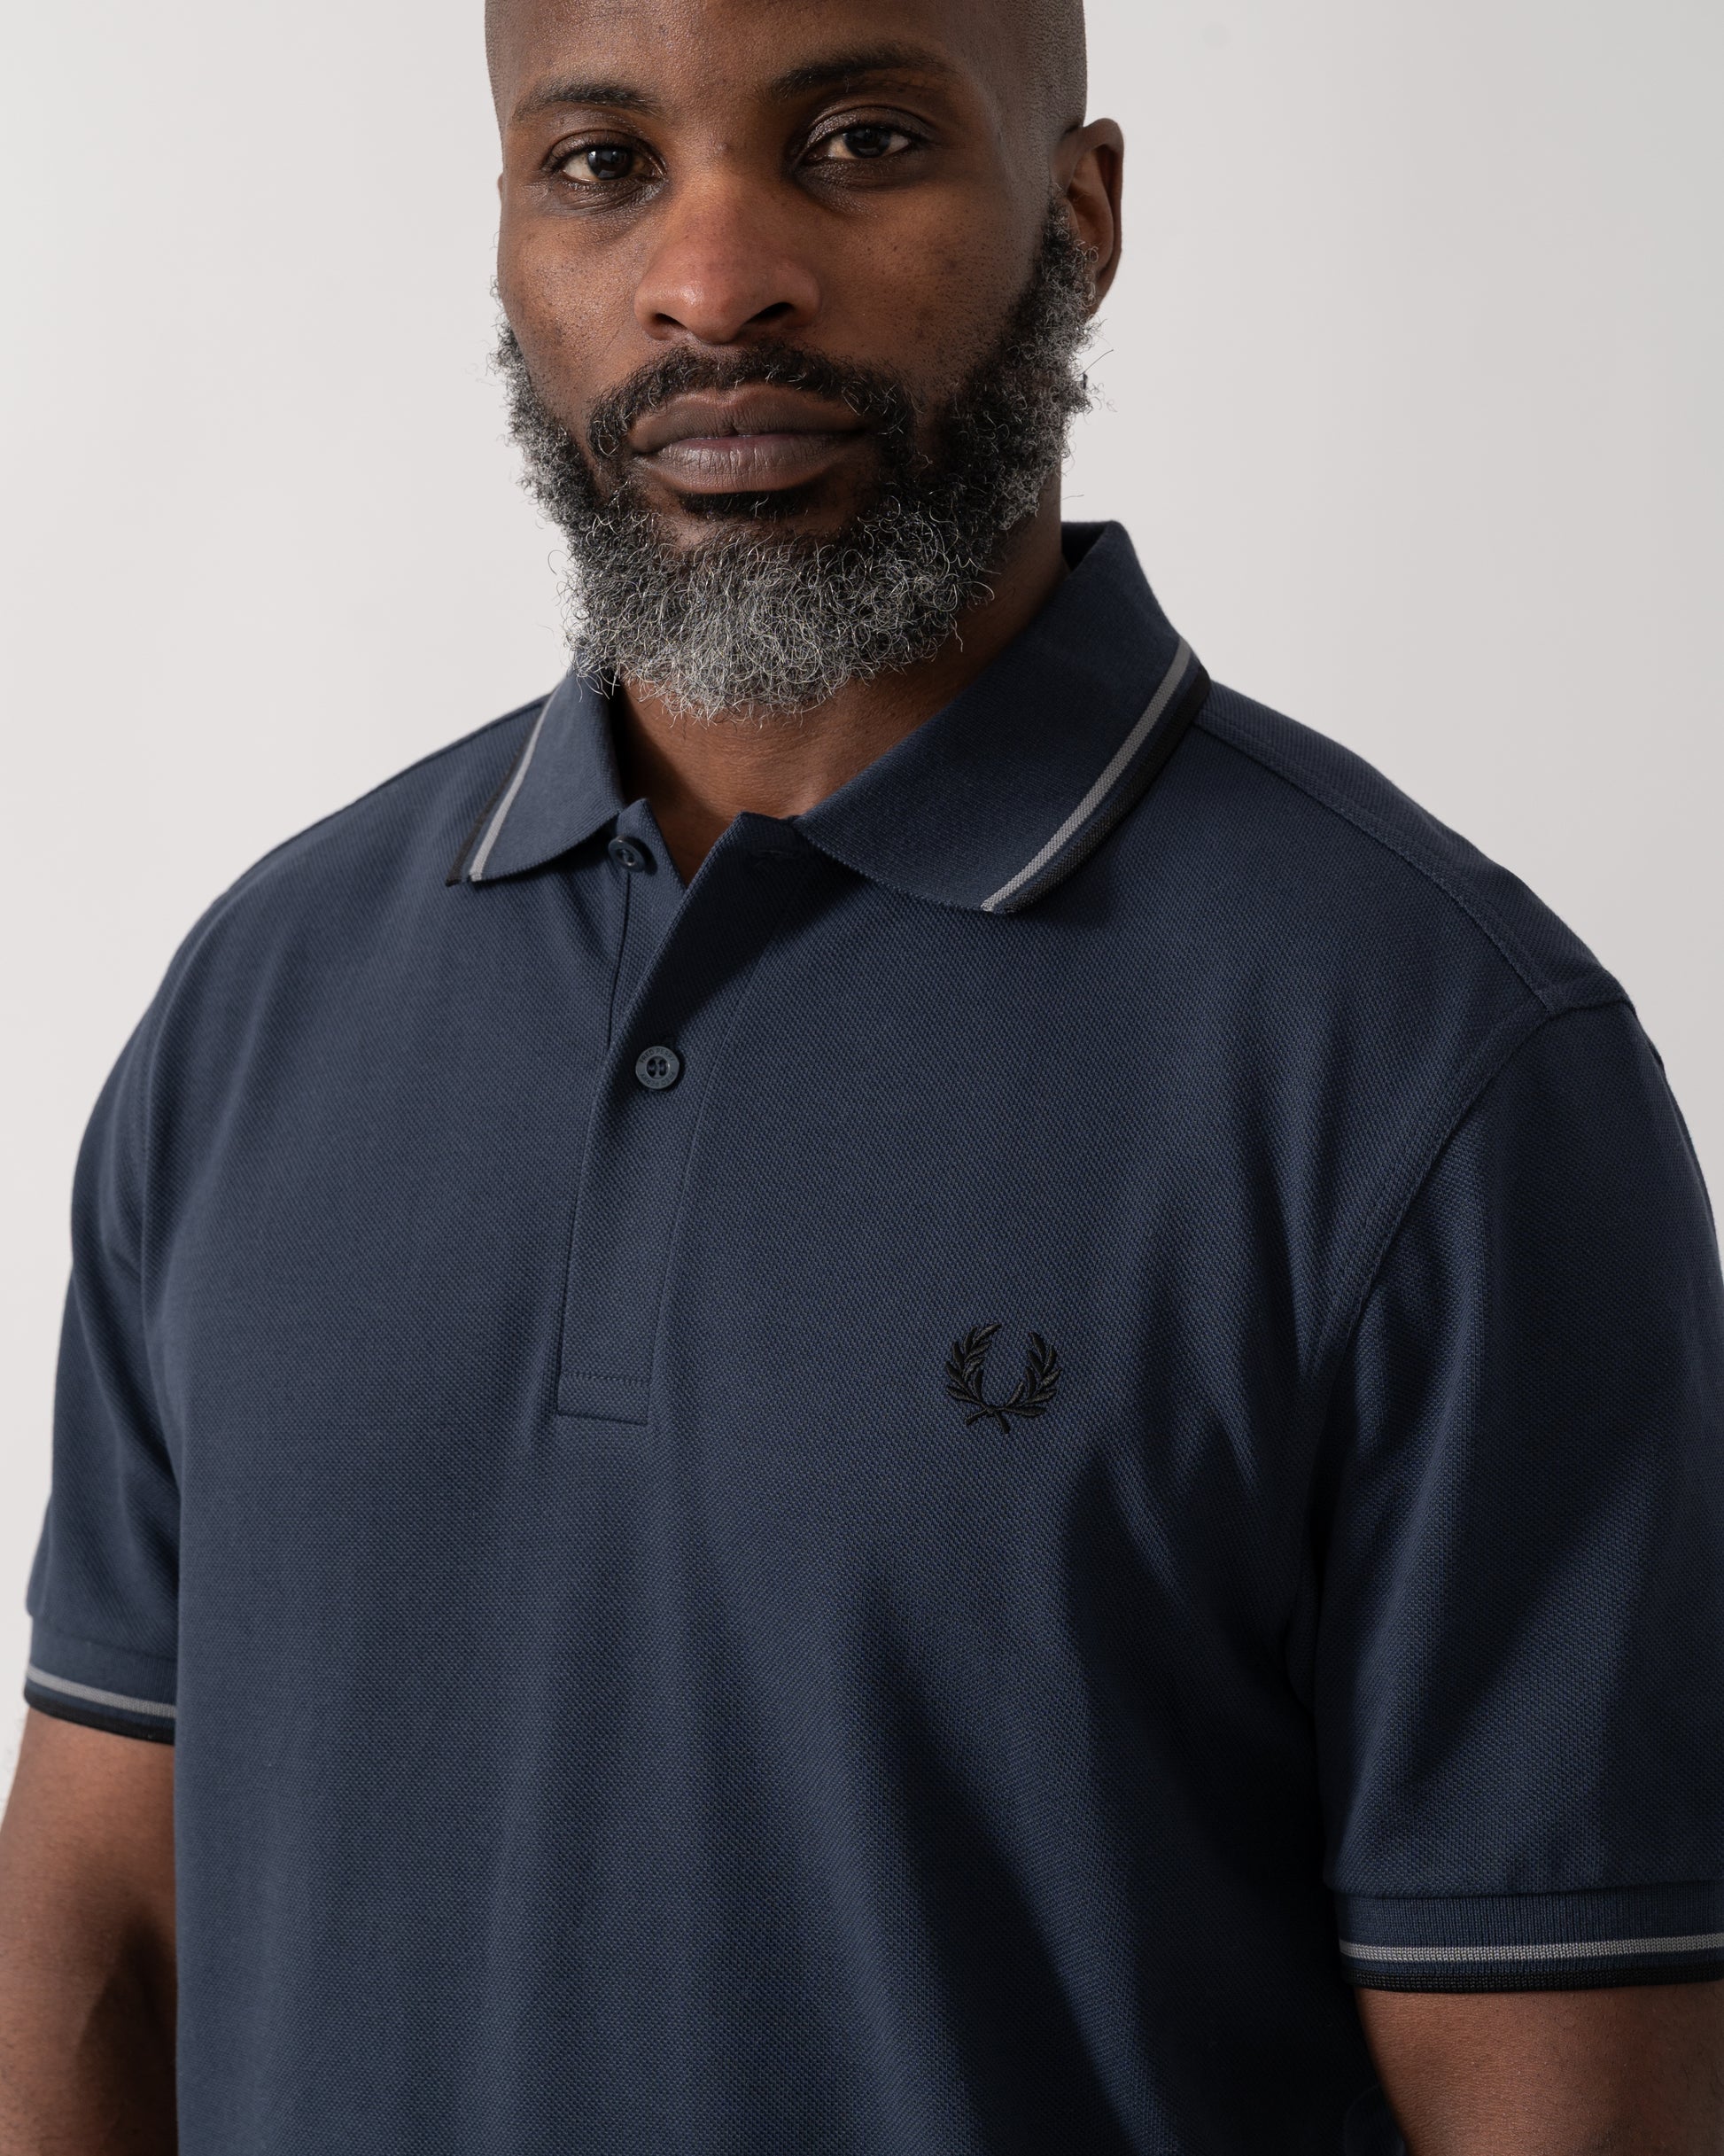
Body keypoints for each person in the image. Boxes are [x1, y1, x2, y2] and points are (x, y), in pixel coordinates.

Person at [2, 0, 1721, 2147]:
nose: (714, 283)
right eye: (603, 164)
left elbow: (1568, 2107)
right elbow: (104, 1938)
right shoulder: (262, 1000)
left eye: (861, 141)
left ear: (1077, 217)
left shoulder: (1443, 1072)